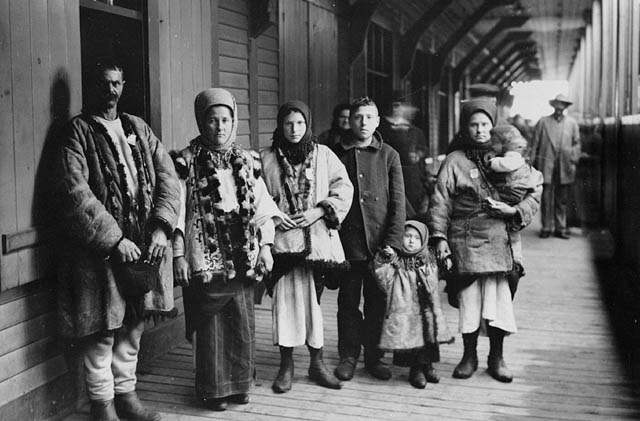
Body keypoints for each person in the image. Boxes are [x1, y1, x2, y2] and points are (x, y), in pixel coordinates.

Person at [55, 60, 180, 421]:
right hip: (99, 253)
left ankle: (126, 395)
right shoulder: (76, 132)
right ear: (92, 86)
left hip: (144, 245)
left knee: (135, 323)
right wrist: (114, 239)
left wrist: (161, 226)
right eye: (104, 84)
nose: (110, 91)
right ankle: (103, 404)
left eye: (116, 83)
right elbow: (74, 192)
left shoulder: (138, 127)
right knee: (103, 329)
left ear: (123, 85)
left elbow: (168, 177)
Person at [171, 88, 281, 411]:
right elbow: (177, 211)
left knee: (241, 323)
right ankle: (213, 390)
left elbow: (262, 206)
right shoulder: (186, 163)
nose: (219, 127)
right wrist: (178, 254)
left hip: (241, 252)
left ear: (233, 122)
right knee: (211, 327)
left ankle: (239, 385)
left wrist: (266, 246)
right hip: (205, 253)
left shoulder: (247, 161)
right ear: (201, 123)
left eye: (225, 120)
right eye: (212, 120)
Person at [428, 98, 541, 383]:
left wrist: (513, 211)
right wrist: (440, 238)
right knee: (469, 300)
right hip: (464, 238)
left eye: (485, 125)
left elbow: (534, 191)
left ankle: (496, 356)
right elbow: (440, 201)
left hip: (502, 237)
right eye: (473, 124)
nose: (480, 130)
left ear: (494, 126)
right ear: (465, 127)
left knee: (499, 301)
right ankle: (469, 356)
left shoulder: (509, 159)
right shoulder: (454, 161)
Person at [260, 100, 354, 393]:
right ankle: (286, 365)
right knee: (285, 304)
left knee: (314, 304)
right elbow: (255, 195)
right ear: (280, 125)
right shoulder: (265, 158)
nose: (294, 129)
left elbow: (343, 187)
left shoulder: (324, 155)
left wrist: (319, 210)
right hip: (283, 241)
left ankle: (317, 362)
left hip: (317, 243)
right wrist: (275, 216)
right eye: (288, 123)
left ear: (308, 124)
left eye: (300, 123)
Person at [331, 97, 406, 382]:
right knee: (348, 303)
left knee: (377, 303)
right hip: (348, 245)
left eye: (369, 118)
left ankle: (375, 357)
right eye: (358, 117)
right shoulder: (336, 154)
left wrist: (392, 243)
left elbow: (398, 203)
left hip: (379, 246)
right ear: (350, 121)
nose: (363, 123)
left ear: (377, 121)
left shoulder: (389, 155)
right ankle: (348, 356)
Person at [372, 220, 453, 389]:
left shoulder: (428, 257)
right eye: (407, 236)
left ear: (423, 240)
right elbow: (383, 278)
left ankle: (427, 366)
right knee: (412, 340)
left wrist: (443, 263)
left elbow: (433, 279)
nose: (411, 241)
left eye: (416, 238)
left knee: (429, 337)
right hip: (407, 310)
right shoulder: (397, 260)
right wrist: (387, 259)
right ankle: (415, 370)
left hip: (426, 307)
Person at [486, 125, 544, 267]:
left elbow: (504, 165)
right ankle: (516, 260)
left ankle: (516, 261)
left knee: (511, 236)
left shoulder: (511, 157)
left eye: (494, 143)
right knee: (513, 237)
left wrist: (490, 163)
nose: (492, 146)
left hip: (509, 204)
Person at [531, 94, 581, 239]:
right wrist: (532, 164)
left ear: (566, 107)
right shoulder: (543, 122)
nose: (559, 108)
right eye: (557, 105)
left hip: (564, 165)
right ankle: (546, 227)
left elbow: (577, 143)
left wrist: (573, 158)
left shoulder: (572, 123)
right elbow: (535, 143)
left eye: (563, 105)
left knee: (562, 199)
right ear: (553, 106)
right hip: (546, 165)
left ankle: (560, 228)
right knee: (546, 198)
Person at [377, 101, 429, 218]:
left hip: (411, 176)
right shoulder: (383, 128)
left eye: (400, 105)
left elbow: (422, 149)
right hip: (389, 173)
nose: (397, 109)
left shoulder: (415, 131)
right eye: (394, 105)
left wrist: (418, 155)